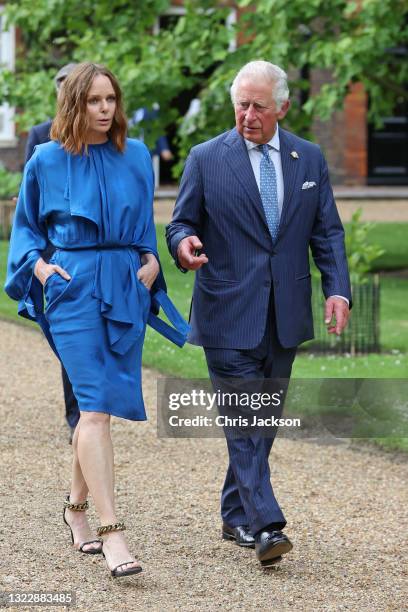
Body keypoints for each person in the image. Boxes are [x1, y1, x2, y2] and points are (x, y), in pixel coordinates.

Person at [5, 62, 188, 578]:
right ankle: (113, 531)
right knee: (95, 407)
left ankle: (75, 510)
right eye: (94, 101)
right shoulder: (44, 159)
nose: (105, 109)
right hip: (73, 286)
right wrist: (40, 268)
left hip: (126, 286)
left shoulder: (136, 155)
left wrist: (151, 264)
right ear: (74, 104)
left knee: (97, 409)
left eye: (111, 99)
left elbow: (145, 227)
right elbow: (26, 231)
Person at [166, 60, 351, 567]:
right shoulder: (207, 158)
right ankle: (268, 524)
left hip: (285, 313)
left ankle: (234, 511)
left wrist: (338, 290)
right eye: (241, 105)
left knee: (259, 420)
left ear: (283, 107)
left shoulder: (308, 158)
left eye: (258, 106)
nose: (247, 115)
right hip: (227, 309)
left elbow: (327, 232)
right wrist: (184, 246)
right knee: (246, 416)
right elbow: (179, 223)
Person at [24, 63, 80, 441]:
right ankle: (79, 411)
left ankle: (83, 414)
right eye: (61, 85)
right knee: (63, 337)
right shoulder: (41, 137)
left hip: (88, 251)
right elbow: (31, 195)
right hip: (51, 250)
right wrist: (39, 261)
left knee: (80, 337)